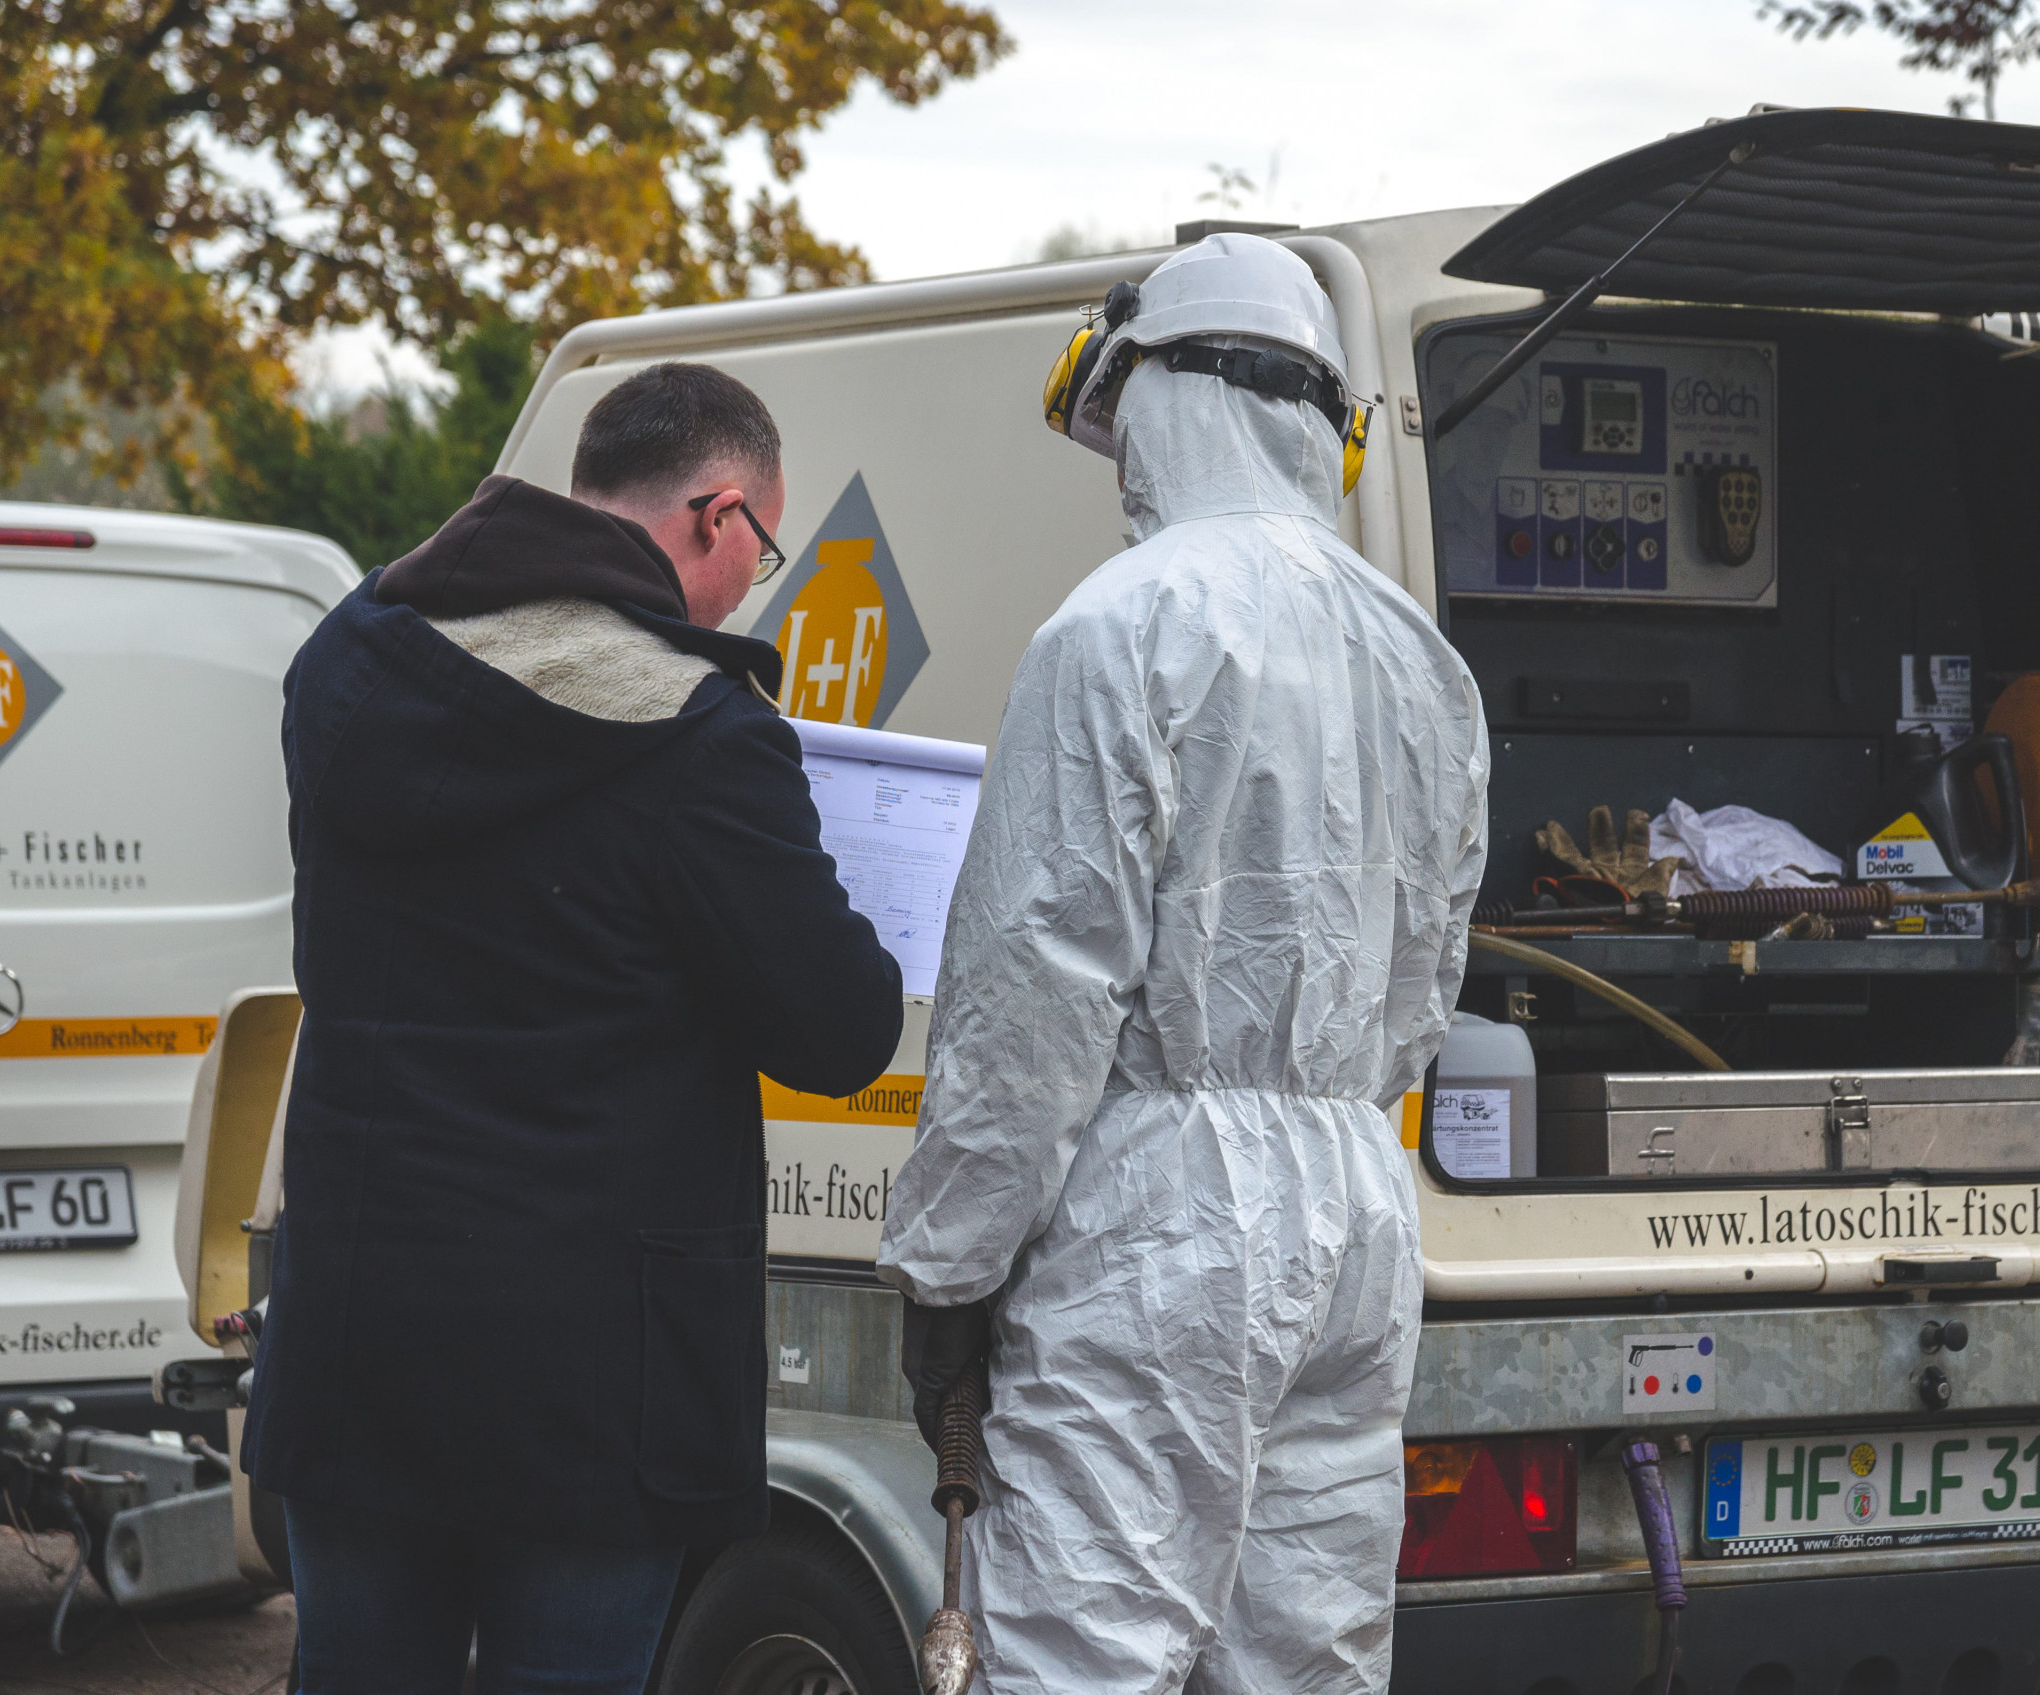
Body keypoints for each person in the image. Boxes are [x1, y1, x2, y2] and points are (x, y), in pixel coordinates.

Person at [877, 234, 1490, 1695]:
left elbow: (1035, 992)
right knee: (1307, 1662)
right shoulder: (1422, 661)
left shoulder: (1118, 627)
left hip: (1161, 1226)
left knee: (1075, 1657)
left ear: (1163, 395)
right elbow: (1427, 977)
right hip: (1358, 1211)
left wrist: (950, 1268)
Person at [246, 362, 904, 1695]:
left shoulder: (346, 668)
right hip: (592, 1390)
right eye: (764, 551)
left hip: (358, 1342)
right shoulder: (701, 736)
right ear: (717, 515)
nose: (749, 589)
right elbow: (840, 1032)